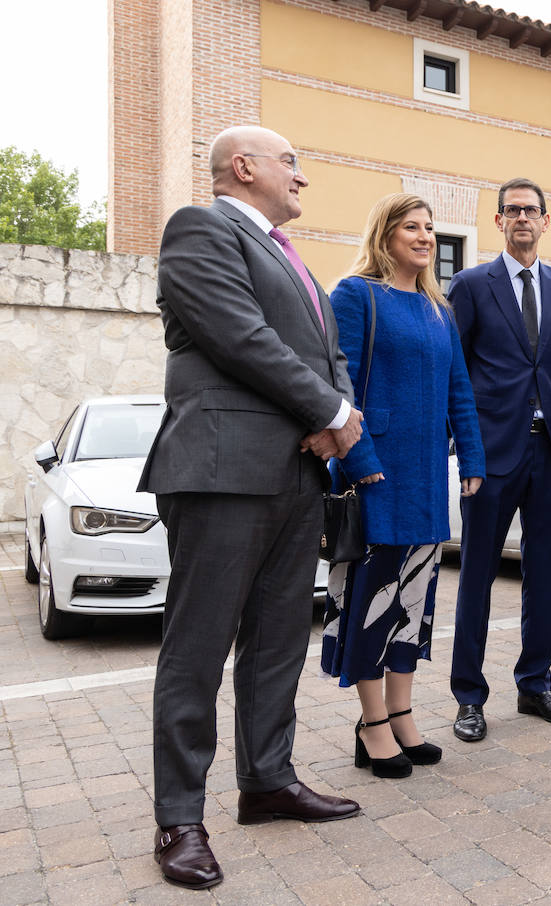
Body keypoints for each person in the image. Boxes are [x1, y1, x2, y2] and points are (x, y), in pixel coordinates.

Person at [139, 125, 363, 890]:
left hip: (296, 475)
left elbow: (326, 356)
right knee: (198, 647)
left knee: (277, 642)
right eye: (290, 161)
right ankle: (179, 818)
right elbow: (240, 337)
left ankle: (267, 781)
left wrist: (340, 414)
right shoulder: (200, 228)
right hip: (222, 469)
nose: (301, 176)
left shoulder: (291, 257)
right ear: (245, 167)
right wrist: (331, 411)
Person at [320, 193, 486, 777]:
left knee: (415, 596)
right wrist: (360, 459)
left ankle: (403, 712)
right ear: (384, 234)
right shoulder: (356, 294)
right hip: (376, 473)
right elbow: (338, 386)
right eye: (411, 227)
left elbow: (459, 391)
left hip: (425, 477)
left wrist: (471, 457)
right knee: (375, 597)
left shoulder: (440, 309)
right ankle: (371, 726)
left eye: (430, 228)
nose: (424, 237)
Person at [446, 177, 551, 742]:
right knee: (477, 573)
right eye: (512, 211)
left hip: (548, 449)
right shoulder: (471, 284)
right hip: (490, 450)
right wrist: (464, 444)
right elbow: (456, 368)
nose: (522, 218)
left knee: (542, 578)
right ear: (499, 221)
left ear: (546, 221)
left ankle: (535, 683)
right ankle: (469, 696)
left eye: (531, 210)